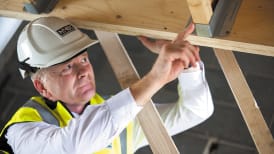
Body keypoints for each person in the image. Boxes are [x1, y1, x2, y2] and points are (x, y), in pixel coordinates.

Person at [0, 16, 213, 154]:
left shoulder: (118, 114)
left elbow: (195, 111)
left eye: (83, 60)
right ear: (42, 88)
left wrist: (187, 64)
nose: (83, 72)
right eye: (67, 68)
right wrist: (154, 79)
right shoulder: (22, 132)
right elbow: (71, 146)